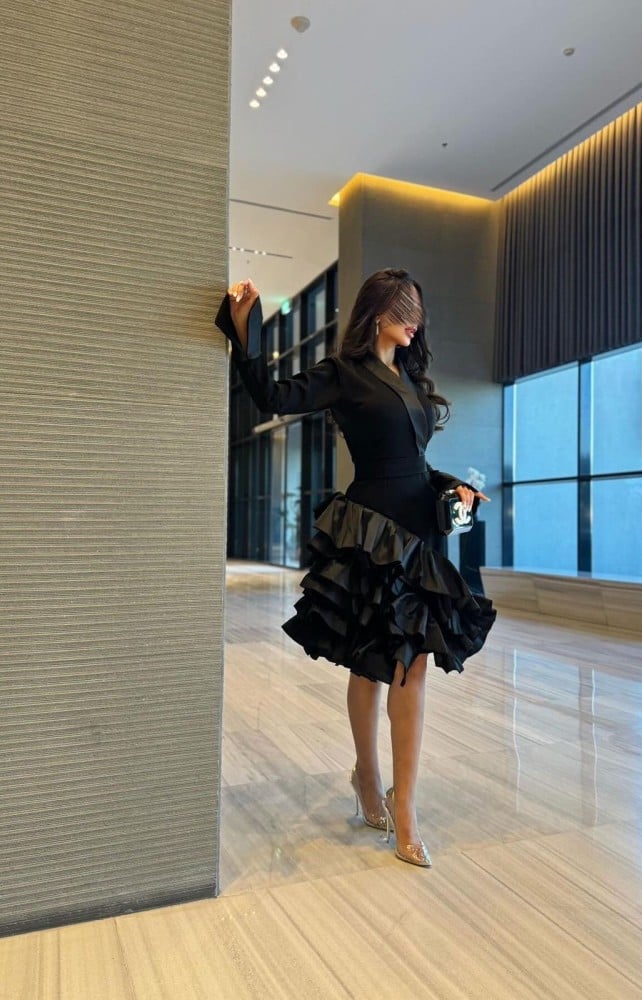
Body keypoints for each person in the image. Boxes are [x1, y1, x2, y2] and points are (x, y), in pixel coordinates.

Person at [216, 268, 496, 867]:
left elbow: (416, 464)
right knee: (370, 665)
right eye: (405, 308)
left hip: (420, 536)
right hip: (371, 534)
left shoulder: (411, 379)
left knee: (411, 668)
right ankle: (368, 777)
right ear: (378, 310)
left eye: (418, 309)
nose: (415, 320)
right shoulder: (344, 373)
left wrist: (454, 486)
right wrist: (244, 329)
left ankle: (406, 805)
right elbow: (273, 397)